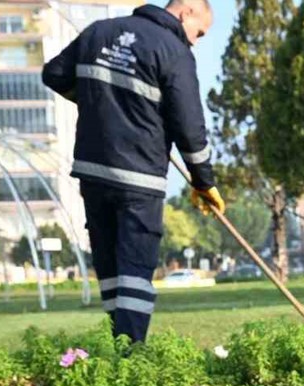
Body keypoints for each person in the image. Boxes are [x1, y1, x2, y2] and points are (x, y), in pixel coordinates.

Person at [42, 0, 223, 344]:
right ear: (186, 13)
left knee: (110, 268)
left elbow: (53, 74)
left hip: (93, 172)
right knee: (136, 270)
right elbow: (189, 128)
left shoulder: (99, 32)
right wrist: (204, 182)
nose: (197, 40)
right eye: (200, 32)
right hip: (139, 178)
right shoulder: (174, 51)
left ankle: (118, 345)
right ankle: (131, 355)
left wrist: (101, 102)